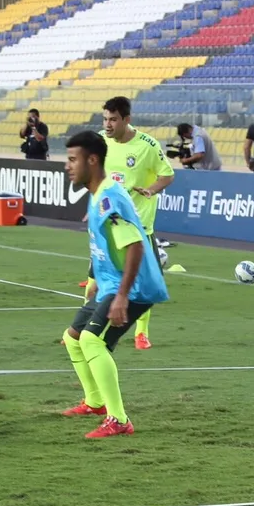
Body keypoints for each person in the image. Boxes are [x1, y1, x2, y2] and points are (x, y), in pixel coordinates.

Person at [59, 130, 169, 439]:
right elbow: (105, 244)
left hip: (133, 287)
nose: (67, 166)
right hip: (111, 284)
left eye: (72, 159)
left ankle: (118, 419)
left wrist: (121, 296)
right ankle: (95, 402)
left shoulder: (109, 197)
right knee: (73, 338)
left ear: (92, 161)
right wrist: (95, 277)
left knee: (93, 341)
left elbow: (135, 245)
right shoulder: (99, 193)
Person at [102, 96, 174, 350]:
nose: (108, 125)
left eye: (113, 119)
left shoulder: (147, 145)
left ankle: (141, 334)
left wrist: (151, 190)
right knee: (94, 281)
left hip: (139, 227)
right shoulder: (101, 141)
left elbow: (167, 174)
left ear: (126, 120)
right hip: (108, 225)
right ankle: (88, 327)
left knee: (147, 286)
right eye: (105, 119)